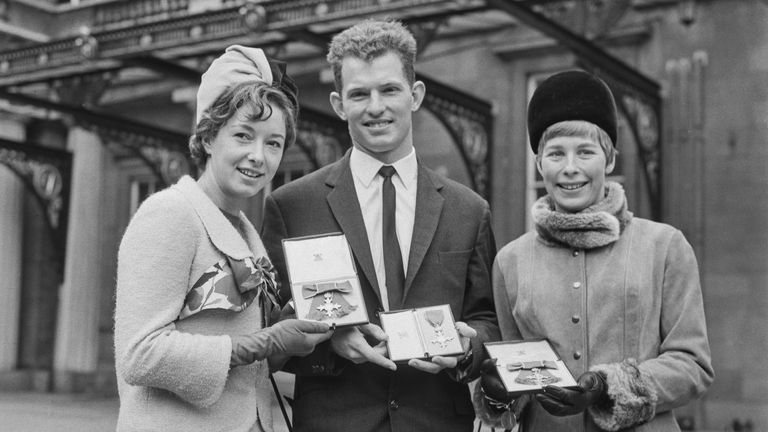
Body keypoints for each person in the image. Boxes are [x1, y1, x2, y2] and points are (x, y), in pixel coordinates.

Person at [261, 19, 499, 432]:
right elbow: (268, 333)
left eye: (389, 89)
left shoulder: (469, 209)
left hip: (436, 421)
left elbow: (488, 319)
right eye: (359, 94)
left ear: (415, 95)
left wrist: (466, 347)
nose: (375, 107)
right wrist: (327, 343)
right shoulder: (293, 205)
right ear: (338, 104)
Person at [474, 70, 714, 431]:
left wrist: (607, 386)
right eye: (555, 154)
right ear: (540, 164)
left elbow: (693, 365)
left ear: (610, 160)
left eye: (585, 152)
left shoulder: (664, 246)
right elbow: (514, 378)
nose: (570, 169)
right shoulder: (510, 261)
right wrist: (497, 390)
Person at [113, 45, 332, 432]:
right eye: (243, 135)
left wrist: (294, 326)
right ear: (210, 136)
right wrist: (260, 343)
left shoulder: (244, 229)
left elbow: (245, 366)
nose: (258, 156)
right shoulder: (170, 213)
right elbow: (139, 354)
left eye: (273, 143)